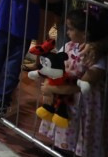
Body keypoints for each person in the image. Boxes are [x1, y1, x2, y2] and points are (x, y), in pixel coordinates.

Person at [37, 8, 107, 156]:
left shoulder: (96, 57)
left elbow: (80, 86)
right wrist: (49, 84)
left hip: (84, 104)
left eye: (70, 29)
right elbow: (54, 67)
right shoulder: (69, 46)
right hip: (65, 99)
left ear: (85, 33)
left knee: (81, 130)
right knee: (65, 129)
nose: (67, 33)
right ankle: (61, 149)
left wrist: (52, 89)